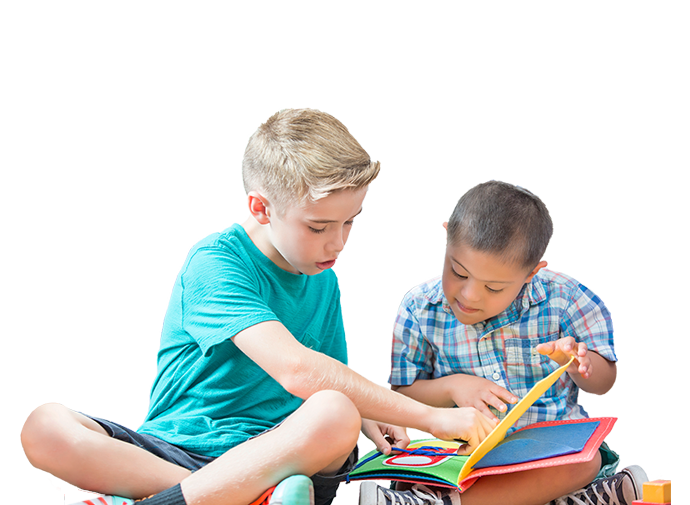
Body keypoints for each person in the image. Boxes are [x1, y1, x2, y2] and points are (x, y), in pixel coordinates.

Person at [20, 109, 496, 505]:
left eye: (350, 221)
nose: (338, 242)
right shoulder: (215, 263)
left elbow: (328, 380)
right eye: (318, 226)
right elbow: (299, 371)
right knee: (45, 426)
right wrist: (433, 417)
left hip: (280, 451)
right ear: (261, 206)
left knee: (335, 413)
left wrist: (371, 411)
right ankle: (225, 496)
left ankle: (216, 495)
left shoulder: (322, 278)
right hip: (177, 449)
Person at [359, 181, 647, 505]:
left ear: (532, 272)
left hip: (546, 455)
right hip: (463, 457)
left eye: (493, 287)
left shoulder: (565, 301)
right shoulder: (419, 308)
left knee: (586, 462)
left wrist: (579, 363)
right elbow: (403, 394)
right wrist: (453, 386)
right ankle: (591, 498)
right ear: (445, 237)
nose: (469, 296)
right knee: (410, 466)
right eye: (458, 271)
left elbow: (604, 379)